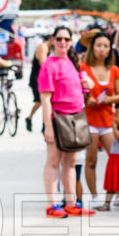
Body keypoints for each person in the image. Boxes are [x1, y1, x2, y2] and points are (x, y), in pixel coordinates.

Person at [40, 25, 95, 218]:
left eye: (67, 39)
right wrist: (48, 127)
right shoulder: (49, 64)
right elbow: (45, 98)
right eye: (59, 38)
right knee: (54, 162)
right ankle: (52, 204)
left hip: (76, 117)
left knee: (71, 162)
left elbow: (78, 89)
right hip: (57, 118)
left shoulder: (72, 62)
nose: (63, 42)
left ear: (71, 41)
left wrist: (88, 85)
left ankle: (71, 202)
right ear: (53, 40)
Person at [81, 32, 119, 205]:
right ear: (92, 47)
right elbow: (78, 92)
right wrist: (87, 100)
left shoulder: (114, 70)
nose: (102, 50)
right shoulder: (83, 68)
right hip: (90, 121)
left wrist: (107, 99)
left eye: (106, 46)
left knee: (116, 158)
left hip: (108, 121)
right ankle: (95, 196)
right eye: (99, 45)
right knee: (91, 160)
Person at [25, 34, 52, 132]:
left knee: (44, 101)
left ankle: (43, 123)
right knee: (41, 101)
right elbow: (43, 63)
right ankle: (29, 119)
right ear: (52, 39)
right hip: (37, 79)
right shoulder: (43, 47)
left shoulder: (48, 48)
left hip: (42, 79)